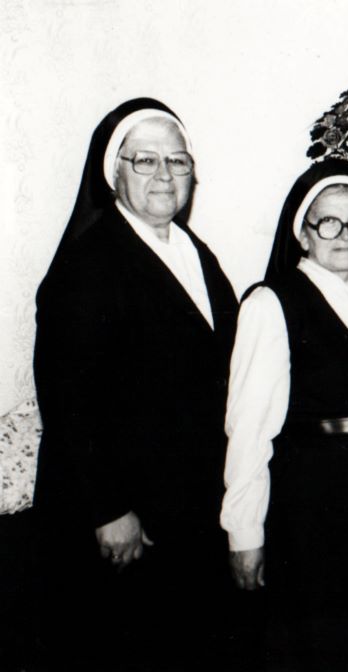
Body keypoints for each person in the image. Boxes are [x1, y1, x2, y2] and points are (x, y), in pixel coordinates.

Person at [32, 97, 238, 670]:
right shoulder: (88, 264)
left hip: (184, 506)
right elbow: (68, 400)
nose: (165, 175)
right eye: (145, 161)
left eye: (177, 161)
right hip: (123, 519)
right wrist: (108, 509)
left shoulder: (194, 253)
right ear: (113, 171)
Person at [220, 158, 348, 671]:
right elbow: (248, 429)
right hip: (315, 512)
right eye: (328, 222)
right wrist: (244, 532)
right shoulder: (271, 303)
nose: (345, 235)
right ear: (303, 233)